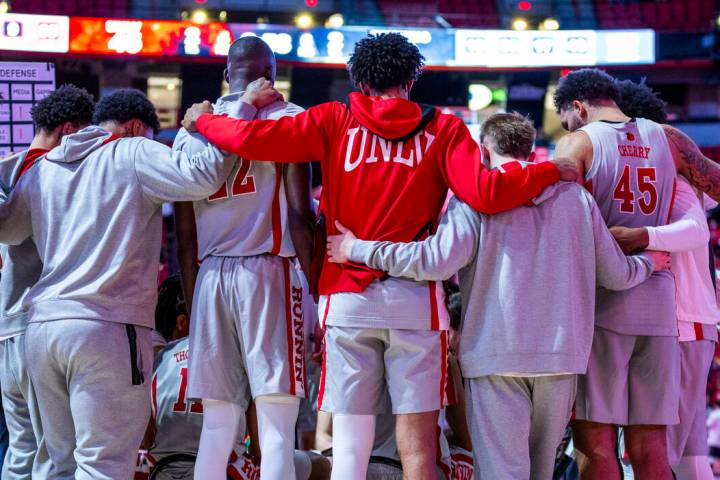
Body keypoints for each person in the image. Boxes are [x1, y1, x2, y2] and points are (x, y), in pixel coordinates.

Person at [182, 32, 576, 480]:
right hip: (416, 303)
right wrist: (547, 170)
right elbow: (487, 193)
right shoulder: (443, 128)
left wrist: (206, 121)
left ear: (359, 80)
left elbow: (251, 140)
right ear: (411, 79)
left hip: (347, 299)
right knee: (419, 450)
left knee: (348, 448)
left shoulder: (332, 119)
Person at [324, 111, 669, 479]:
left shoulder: (473, 198)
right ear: (531, 148)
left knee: (503, 473)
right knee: (540, 473)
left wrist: (358, 249)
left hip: (495, 355)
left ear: (483, 149)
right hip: (560, 357)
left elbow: (435, 262)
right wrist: (650, 261)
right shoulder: (576, 199)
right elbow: (616, 274)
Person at [0, 89, 236, 480]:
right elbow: (203, 176)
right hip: (106, 327)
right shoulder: (132, 151)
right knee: (103, 466)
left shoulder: (46, 167)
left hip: (42, 331)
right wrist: (209, 127)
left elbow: (7, 229)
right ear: (134, 127)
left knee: (58, 465)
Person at [552, 67, 720, 480]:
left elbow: (554, 216)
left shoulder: (577, 142)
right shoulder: (668, 138)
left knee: (596, 444)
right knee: (651, 446)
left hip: (604, 305)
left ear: (577, 107)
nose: (565, 127)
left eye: (565, 119)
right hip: (661, 308)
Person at [172, 36, 313, 480]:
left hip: (210, 275)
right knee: (275, 427)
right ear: (270, 74)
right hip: (267, 271)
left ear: (225, 76)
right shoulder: (288, 118)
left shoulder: (189, 129)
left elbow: (184, 237)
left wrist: (195, 305)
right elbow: (298, 215)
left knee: (216, 427)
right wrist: (317, 285)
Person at [611, 80, 720, 480]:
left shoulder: (669, 178)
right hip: (685, 324)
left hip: (682, 325)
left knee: (663, 453)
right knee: (688, 458)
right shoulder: (665, 174)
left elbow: (696, 231)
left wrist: (639, 237)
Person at [0, 84, 94, 480]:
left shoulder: (7, 165)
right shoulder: (52, 171)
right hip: (37, 325)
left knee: (21, 450)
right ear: (69, 129)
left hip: (6, 327)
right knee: (54, 456)